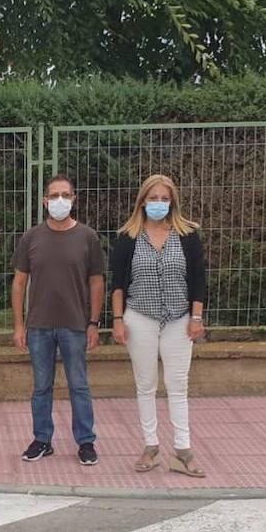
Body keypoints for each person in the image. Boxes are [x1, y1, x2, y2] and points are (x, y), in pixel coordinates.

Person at [110, 174, 207, 477]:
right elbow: (118, 284)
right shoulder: (128, 236)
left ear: (173, 202)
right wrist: (117, 321)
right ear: (142, 201)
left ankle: (183, 451)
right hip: (140, 318)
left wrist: (196, 318)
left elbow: (199, 280)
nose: (159, 204)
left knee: (178, 386)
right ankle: (150, 447)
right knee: (146, 385)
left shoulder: (187, 235)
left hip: (179, 320)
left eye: (165, 199)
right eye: (153, 198)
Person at [12, 174, 106, 466]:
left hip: (76, 325)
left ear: (74, 199)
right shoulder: (32, 237)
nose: (60, 201)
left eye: (65, 195)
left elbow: (97, 282)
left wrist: (94, 322)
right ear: (44, 201)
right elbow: (19, 283)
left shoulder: (88, 237)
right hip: (39, 325)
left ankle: (86, 442)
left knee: (79, 385)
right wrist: (18, 324)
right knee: (41, 386)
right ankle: (42, 440)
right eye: (54, 195)